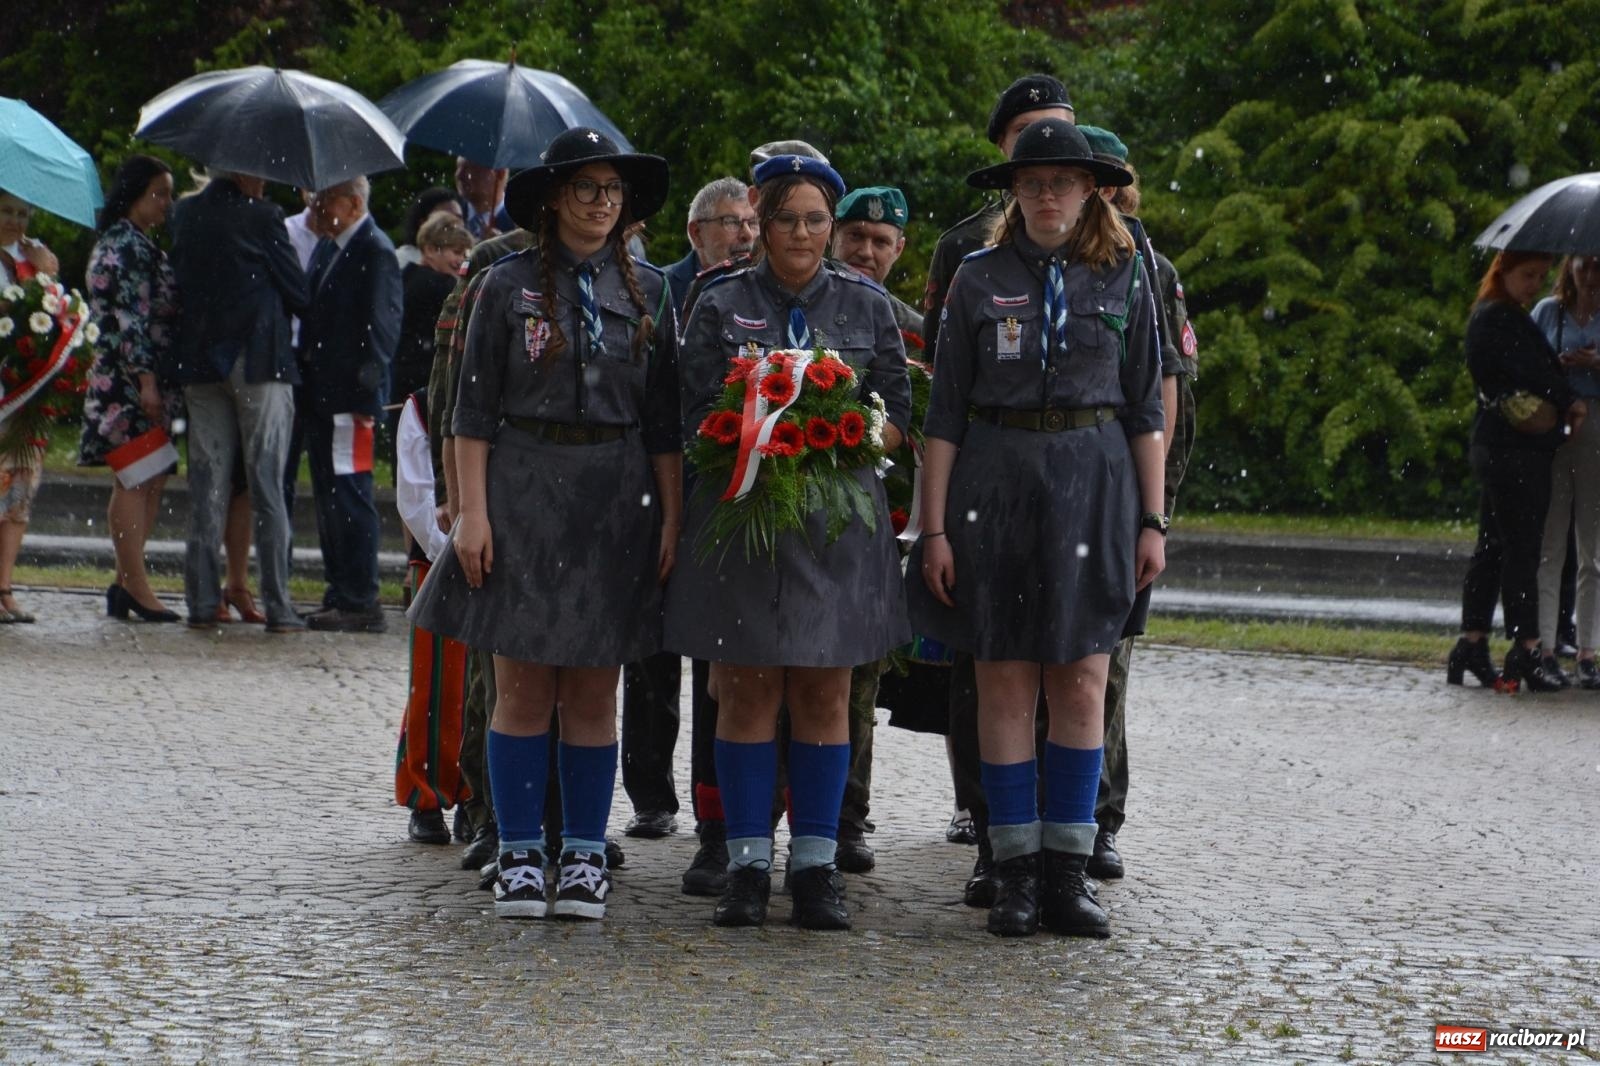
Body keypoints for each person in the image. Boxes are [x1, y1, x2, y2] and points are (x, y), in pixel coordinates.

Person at [410, 127, 681, 922]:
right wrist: (470, 514)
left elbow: (666, 425)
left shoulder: (653, 293)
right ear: (556, 197)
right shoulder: (504, 286)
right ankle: (522, 848)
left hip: (618, 497)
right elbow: (471, 412)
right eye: (587, 188)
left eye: (613, 191)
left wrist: (669, 519)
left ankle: (585, 855)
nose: (602, 203)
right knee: (523, 688)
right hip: (523, 489)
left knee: (596, 690)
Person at [906, 119, 1164, 939]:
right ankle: (1012, 868)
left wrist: (1153, 519)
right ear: (1012, 193)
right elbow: (943, 414)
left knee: (1082, 684)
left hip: (1095, 487)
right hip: (997, 483)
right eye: (1031, 182)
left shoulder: (1129, 275)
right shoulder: (978, 280)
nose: (1046, 195)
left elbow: (1147, 407)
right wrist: (935, 528)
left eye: (1061, 181)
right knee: (1007, 683)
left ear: (1092, 188)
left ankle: (1067, 872)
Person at [666, 151, 911, 930]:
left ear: (830, 226)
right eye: (785, 218)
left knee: (823, 692)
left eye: (815, 220)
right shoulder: (718, 300)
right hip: (743, 519)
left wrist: (847, 432)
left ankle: (815, 867)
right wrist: (752, 430)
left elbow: (902, 415)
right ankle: (744, 865)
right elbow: (687, 410)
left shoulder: (869, 307)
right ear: (761, 224)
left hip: (835, 527)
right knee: (745, 690)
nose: (801, 233)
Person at [1077, 124, 1200, 882]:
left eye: (1121, 186)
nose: (1117, 200)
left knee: (1105, 668)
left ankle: (1097, 818)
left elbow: (1169, 392)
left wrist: (1156, 504)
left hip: (1125, 492)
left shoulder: (1150, 269)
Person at [165, 169, 308, 632]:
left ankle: (203, 602)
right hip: (258, 359)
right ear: (245, 174)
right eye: (264, 175)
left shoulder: (185, 213)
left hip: (201, 362)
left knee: (207, 488)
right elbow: (299, 293)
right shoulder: (265, 217)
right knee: (266, 486)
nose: (267, 183)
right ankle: (280, 606)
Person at [1452, 250, 1582, 691]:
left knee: (1493, 545)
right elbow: (1531, 370)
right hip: (1514, 449)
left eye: (1541, 277)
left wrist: (1555, 376)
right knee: (1521, 548)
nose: (1534, 285)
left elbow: (1529, 368)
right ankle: (1526, 647)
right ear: (1502, 272)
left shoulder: (1496, 316)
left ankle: (1472, 642)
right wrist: (1567, 394)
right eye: (1527, 275)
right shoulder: (1499, 318)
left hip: (1498, 444)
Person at [78, 155, 182, 623]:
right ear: (135, 193)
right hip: (129, 382)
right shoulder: (127, 247)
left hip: (135, 378)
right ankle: (135, 586)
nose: (167, 203)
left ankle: (127, 581)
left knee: (148, 476)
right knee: (136, 478)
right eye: (159, 193)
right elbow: (130, 320)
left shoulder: (130, 242)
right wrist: (146, 381)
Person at [297, 176, 402, 633]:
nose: (316, 208)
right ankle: (341, 589)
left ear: (354, 203)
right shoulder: (330, 248)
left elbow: (381, 329)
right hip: (323, 397)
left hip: (350, 400)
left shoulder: (374, 251)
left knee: (350, 494)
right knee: (330, 495)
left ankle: (360, 597)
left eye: (326, 200)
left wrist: (367, 395)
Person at [920, 74, 1074, 365]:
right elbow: (937, 369)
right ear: (1002, 144)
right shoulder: (962, 245)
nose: (1044, 139)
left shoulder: (1116, 241)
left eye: (1055, 127)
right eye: (1025, 129)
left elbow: (1155, 372)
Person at [393, 385, 469, 844]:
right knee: (436, 686)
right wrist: (454, 549)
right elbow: (414, 498)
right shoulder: (422, 404)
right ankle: (426, 794)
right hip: (440, 562)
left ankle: (480, 796)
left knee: (494, 690)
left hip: (506, 558)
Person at [1532, 255, 1600, 688]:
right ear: (1570, 266)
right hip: (1557, 423)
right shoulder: (1547, 312)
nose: (1591, 276)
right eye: (1585, 265)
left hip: (1595, 422)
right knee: (1551, 543)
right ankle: (1546, 646)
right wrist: (1558, 369)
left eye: (1599, 268)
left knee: (1592, 548)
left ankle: (1589, 650)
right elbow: (1526, 364)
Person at [0, 189, 61, 624]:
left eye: (22, 213)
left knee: (20, 492)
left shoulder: (37, 259)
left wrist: (48, 278)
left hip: (27, 394)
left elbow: (54, 321)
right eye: (6, 211)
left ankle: (4, 587)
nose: (15, 221)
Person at [394, 212, 472, 410]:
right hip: (428, 383)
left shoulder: (404, 276)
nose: (461, 260)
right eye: (455, 251)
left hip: (399, 380)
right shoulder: (444, 285)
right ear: (429, 250)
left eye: (465, 254)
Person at [664, 178, 758, 315]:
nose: (748, 234)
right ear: (697, 233)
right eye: (732, 222)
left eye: (753, 223)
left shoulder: (773, 287)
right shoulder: (662, 290)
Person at [395, 187, 464, 267]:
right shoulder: (402, 260)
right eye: (446, 218)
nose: (455, 224)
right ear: (423, 224)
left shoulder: (467, 260)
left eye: (459, 218)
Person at [456, 156, 512, 239]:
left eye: (469, 168)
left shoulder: (517, 224)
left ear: (500, 173)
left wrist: (500, 247)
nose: (459, 175)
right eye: (458, 167)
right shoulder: (451, 214)